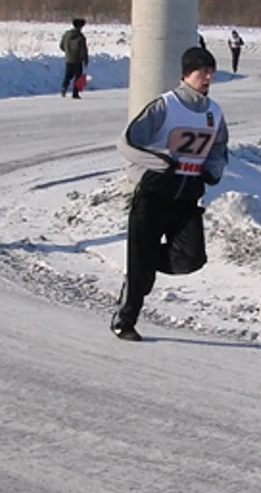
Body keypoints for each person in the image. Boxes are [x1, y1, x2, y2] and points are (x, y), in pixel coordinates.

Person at [111, 45, 229, 341]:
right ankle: (125, 321)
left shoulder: (214, 112)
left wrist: (211, 172)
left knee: (192, 258)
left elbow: (219, 149)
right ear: (187, 73)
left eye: (211, 71)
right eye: (203, 71)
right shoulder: (165, 106)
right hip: (154, 193)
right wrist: (161, 163)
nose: (208, 77)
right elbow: (126, 143)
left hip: (188, 196)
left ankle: (144, 262)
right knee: (139, 269)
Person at [58, 17, 89, 98]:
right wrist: (85, 59)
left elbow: (61, 46)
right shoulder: (80, 36)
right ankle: (75, 93)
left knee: (68, 75)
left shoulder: (66, 34)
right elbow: (83, 50)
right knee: (78, 77)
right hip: (78, 60)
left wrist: (68, 52)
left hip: (68, 59)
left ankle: (64, 87)